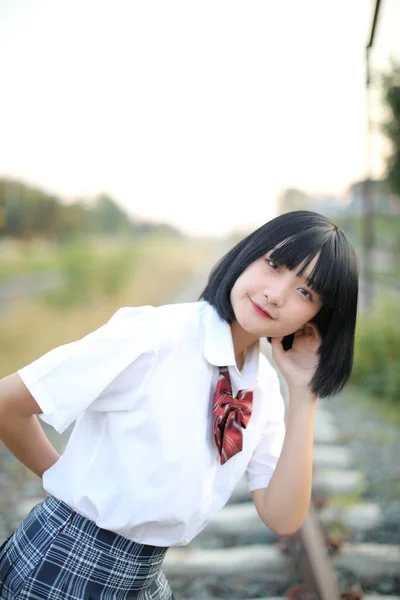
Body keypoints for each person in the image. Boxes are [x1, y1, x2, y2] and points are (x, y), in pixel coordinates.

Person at [0, 210, 358, 599]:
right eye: (274, 265)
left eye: (305, 292)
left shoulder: (264, 385)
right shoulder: (155, 335)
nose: (276, 294)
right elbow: (7, 403)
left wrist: (304, 397)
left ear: (318, 319)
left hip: (145, 575)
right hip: (66, 559)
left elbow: (283, 516)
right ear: (247, 253)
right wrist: (66, 483)